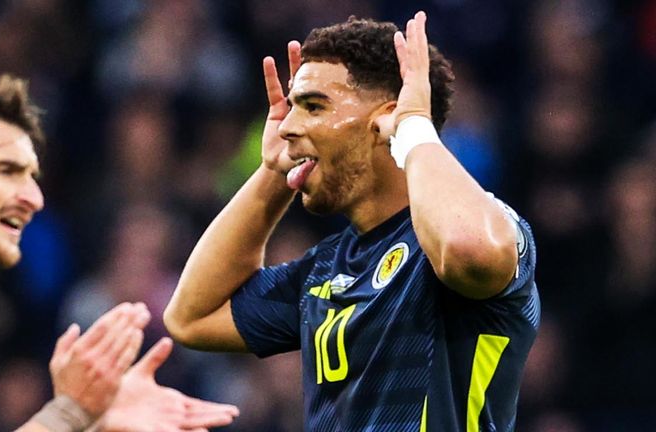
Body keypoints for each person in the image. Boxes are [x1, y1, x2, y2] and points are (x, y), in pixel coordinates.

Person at [165, 11, 539, 431]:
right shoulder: (326, 268)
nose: (287, 126)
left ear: (386, 118)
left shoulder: (490, 224)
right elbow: (191, 317)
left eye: (312, 106)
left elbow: (469, 251)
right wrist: (273, 173)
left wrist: (414, 130)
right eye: (292, 109)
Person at [0, 75, 239, 431]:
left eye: (32, 177)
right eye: (6, 170)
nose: (33, 199)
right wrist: (71, 412)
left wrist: (88, 422)